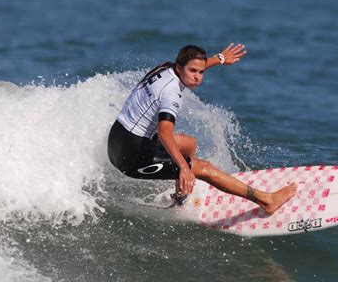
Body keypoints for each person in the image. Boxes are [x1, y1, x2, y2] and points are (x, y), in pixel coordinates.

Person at [108, 43, 297, 214]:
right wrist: (183, 167)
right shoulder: (171, 93)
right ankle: (267, 200)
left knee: (189, 144)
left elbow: (194, 66)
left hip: (118, 138)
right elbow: (165, 132)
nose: (198, 77)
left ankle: (180, 198)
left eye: (201, 72)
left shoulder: (166, 68)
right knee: (203, 168)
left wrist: (221, 58)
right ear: (180, 68)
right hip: (130, 157)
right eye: (193, 72)